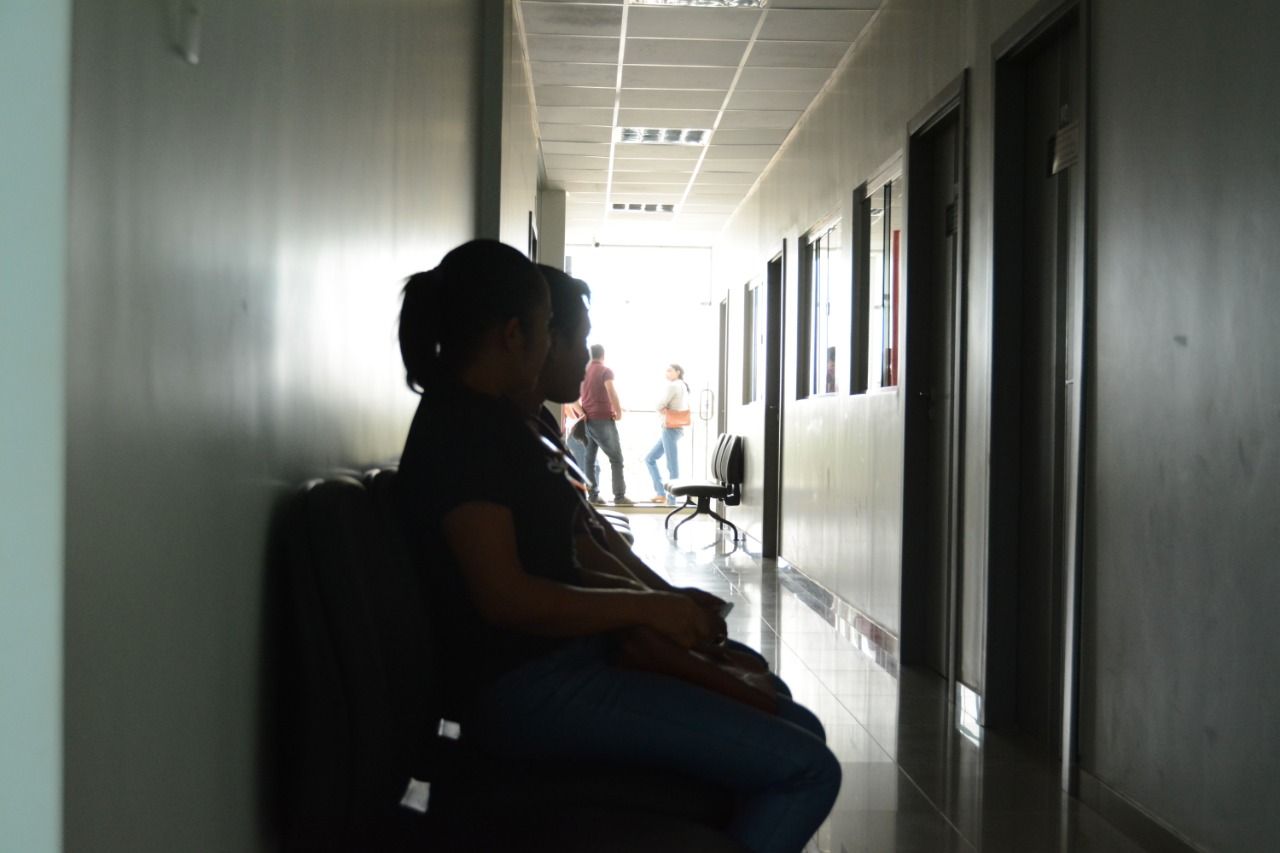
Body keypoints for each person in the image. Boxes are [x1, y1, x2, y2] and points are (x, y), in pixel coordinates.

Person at [394, 242, 841, 853]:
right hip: (528, 690)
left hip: (557, 667)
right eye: (550, 328)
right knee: (809, 767)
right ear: (513, 334)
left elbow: (571, 553)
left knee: (792, 733)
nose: (559, 346)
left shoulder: (487, 422)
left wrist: (652, 603)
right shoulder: (464, 432)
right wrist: (645, 608)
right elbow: (506, 599)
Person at [580, 344, 632, 505]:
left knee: (589, 459)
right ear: (603, 355)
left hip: (587, 420)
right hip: (603, 420)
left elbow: (577, 396)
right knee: (616, 459)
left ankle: (593, 497)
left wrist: (582, 413)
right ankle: (620, 496)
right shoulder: (605, 370)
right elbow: (611, 391)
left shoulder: (583, 371)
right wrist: (618, 411)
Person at [645, 363, 691, 505]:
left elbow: (658, 405)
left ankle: (671, 500)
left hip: (670, 429)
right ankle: (661, 493)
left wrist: (662, 407)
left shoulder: (673, 386)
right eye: (666, 371)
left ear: (678, 372)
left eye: (670, 371)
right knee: (650, 458)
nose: (667, 373)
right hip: (676, 429)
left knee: (672, 466)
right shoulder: (683, 385)